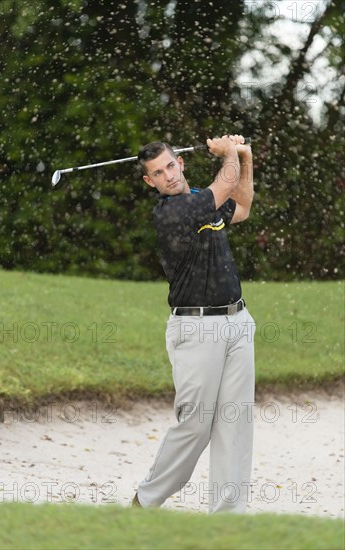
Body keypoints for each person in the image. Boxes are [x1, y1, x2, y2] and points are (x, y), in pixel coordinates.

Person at [132, 135, 256, 514]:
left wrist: (245, 158)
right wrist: (231, 153)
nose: (167, 175)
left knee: (235, 425)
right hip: (197, 329)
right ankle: (145, 501)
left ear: (181, 164)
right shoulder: (172, 212)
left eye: (170, 165)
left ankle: (228, 521)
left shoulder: (205, 198)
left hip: (237, 321)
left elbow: (244, 206)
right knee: (195, 427)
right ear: (149, 182)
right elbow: (225, 184)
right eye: (157, 173)